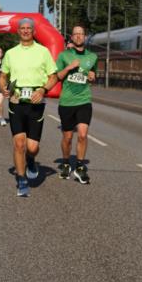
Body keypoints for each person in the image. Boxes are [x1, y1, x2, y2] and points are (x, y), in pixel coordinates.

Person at [0, 17, 58, 197]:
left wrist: (43, 89)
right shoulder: (10, 53)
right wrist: (3, 88)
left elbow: (53, 76)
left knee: (32, 147)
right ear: (18, 31)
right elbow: (3, 76)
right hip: (16, 102)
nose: (25, 31)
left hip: (35, 102)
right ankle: (22, 179)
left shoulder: (43, 52)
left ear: (33, 31)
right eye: (22, 28)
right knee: (19, 143)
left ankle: (31, 159)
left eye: (28, 28)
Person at [55, 25, 98, 184]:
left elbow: (93, 75)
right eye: (76, 34)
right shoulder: (63, 55)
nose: (79, 36)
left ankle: (80, 167)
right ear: (71, 37)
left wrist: (93, 76)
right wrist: (69, 67)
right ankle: (66, 163)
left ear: (85, 37)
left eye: (81, 34)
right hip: (67, 101)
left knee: (82, 134)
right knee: (67, 137)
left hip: (84, 100)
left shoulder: (92, 57)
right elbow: (58, 76)